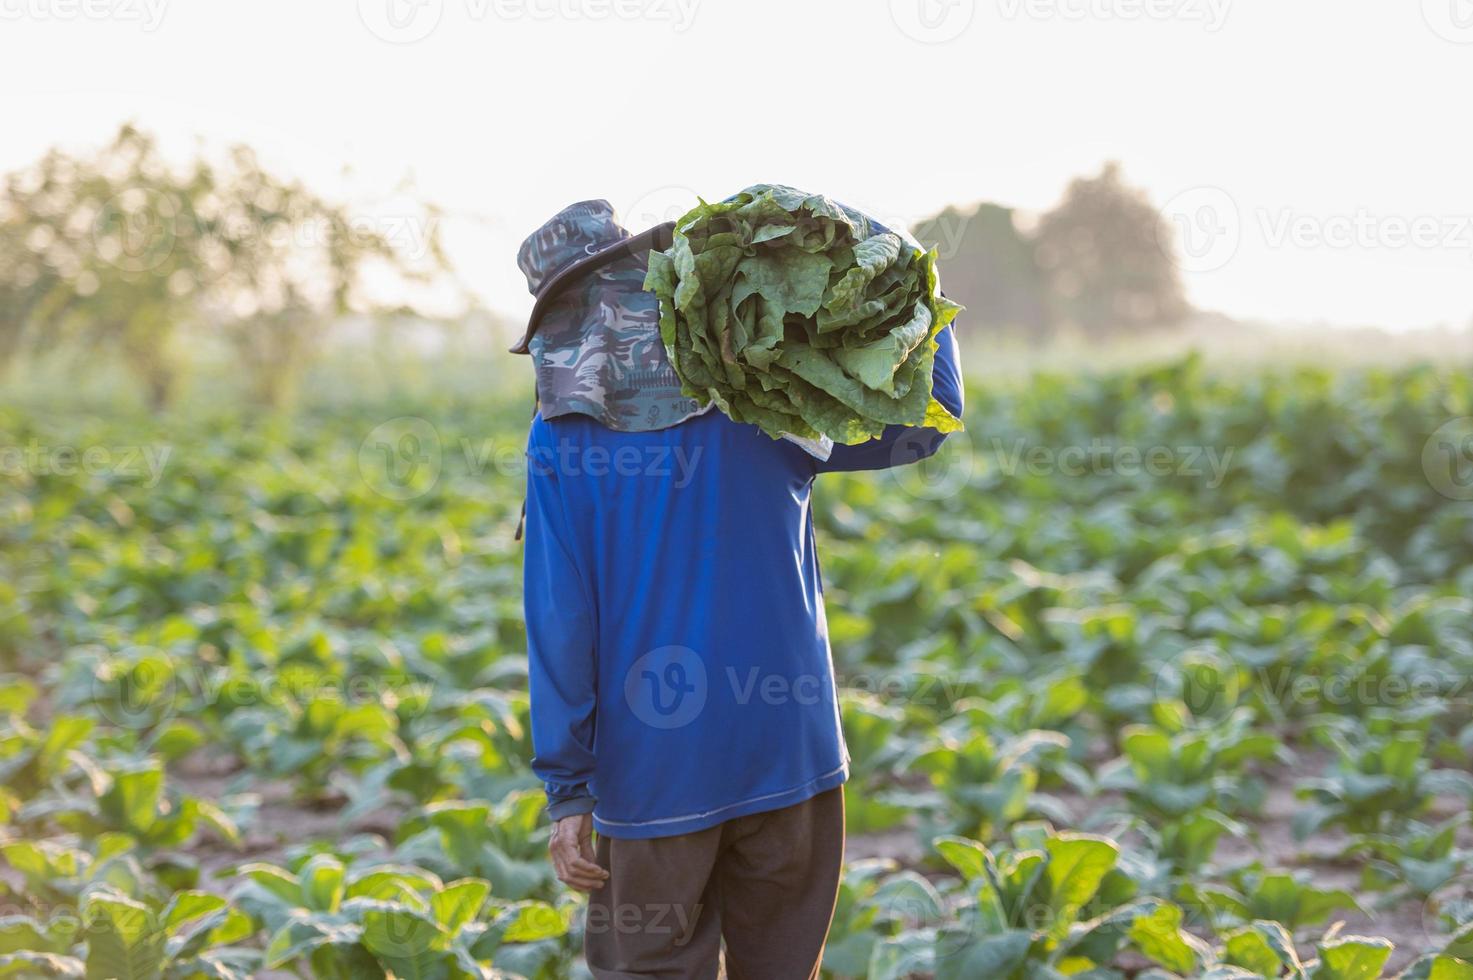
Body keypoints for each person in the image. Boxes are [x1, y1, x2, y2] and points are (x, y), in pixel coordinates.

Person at [514, 199, 964, 980]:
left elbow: (561, 621)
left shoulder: (559, 434)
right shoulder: (759, 395)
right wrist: (899, 256)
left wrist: (568, 790)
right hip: (791, 753)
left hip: (655, 779)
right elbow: (929, 418)